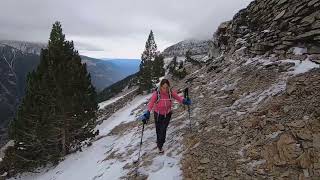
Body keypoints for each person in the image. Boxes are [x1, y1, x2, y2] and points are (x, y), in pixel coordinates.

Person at [139, 79, 192, 154]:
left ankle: (160, 145)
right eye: (164, 87)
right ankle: (159, 140)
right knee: (158, 129)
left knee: (163, 130)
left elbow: (178, 98)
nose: (165, 89)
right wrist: (147, 112)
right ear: (160, 86)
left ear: (168, 87)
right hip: (158, 114)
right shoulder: (157, 94)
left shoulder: (170, 93)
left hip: (167, 114)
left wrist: (184, 101)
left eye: (167, 87)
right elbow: (151, 103)